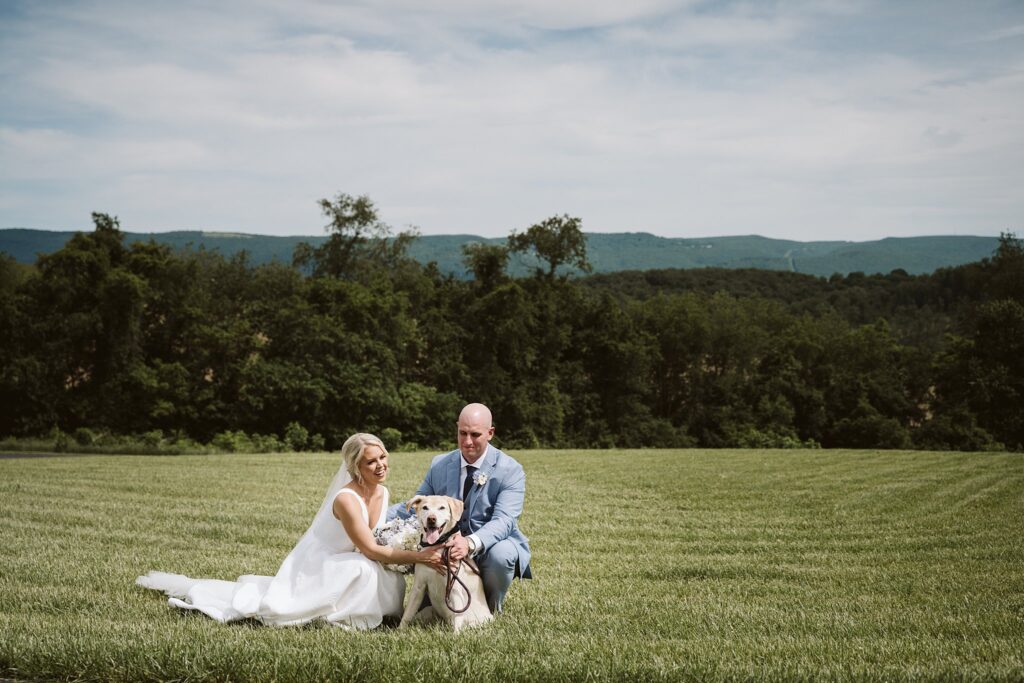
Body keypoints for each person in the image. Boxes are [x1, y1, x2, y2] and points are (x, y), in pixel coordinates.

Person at [136, 433, 442, 629]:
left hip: (352, 556)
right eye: (370, 462)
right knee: (365, 569)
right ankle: (339, 617)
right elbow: (371, 550)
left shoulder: (382, 492)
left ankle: (363, 612)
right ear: (355, 468)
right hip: (320, 561)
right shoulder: (346, 500)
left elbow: (376, 542)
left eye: (383, 457)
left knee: (381, 574)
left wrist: (405, 546)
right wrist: (419, 556)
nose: (380, 466)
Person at [389, 403, 531, 613]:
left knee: (502, 555)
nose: (467, 441)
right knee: (430, 612)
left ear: (490, 433)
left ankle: (488, 609)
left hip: (489, 543)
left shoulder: (510, 470)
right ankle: (439, 598)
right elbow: (415, 505)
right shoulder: (439, 464)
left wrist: (470, 542)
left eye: (475, 434)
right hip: (442, 543)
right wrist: (369, 515)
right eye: (462, 433)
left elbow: (505, 520)